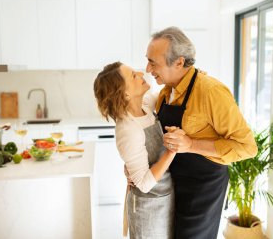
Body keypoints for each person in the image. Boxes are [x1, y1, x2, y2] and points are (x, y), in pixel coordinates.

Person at [146, 26, 258, 239]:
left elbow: (247, 147)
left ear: (179, 62)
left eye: (153, 62)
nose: (148, 69)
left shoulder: (211, 92)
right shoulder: (165, 92)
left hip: (203, 187)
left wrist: (191, 145)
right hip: (173, 182)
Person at [93, 62, 175, 239]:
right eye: (133, 75)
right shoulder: (128, 129)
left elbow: (169, 90)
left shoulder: (145, 105)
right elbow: (144, 184)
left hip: (164, 198)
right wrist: (171, 151)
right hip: (148, 208)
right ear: (125, 93)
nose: (140, 72)